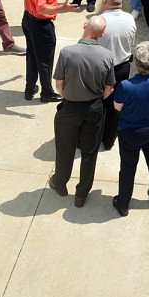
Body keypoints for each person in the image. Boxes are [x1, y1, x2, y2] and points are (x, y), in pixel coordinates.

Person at [50, 15, 115, 207]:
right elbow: (109, 88)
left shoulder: (67, 53)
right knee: (89, 152)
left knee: (65, 148)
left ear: (84, 26)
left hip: (69, 107)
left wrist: (69, 96)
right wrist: (96, 100)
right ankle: (81, 194)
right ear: (102, 34)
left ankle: (60, 184)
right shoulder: (107, 56)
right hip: (94, 108)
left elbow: (58, 85)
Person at [112, 41, 149, 217]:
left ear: (136, 63)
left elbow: (117, 107)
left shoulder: (125, 86)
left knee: (128, 167)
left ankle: (123, 204)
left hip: (131, 132)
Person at [21, 0, 77, 102]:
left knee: (32, 55)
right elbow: (42, 8)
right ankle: (46, 93)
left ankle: (30, 88)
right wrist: (62, 8)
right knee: (45, 60)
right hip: (40, 25)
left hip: (28, 20)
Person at [97, 0, 137, 151]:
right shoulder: (130, 19)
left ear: (105, 1)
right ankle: (109, 140)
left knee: (98, 104)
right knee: (116, 105)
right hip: (122, 67)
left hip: (102, 70)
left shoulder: (99, 21)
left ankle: (95, 135)